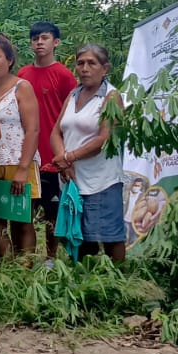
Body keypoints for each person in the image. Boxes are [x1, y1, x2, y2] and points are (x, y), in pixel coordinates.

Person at [50, 44, 125, 261]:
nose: (84, 68)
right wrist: (64, 162)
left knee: (110, 238)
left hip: (101, 180)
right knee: (80, 238)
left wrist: (69, 157)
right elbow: (56, 132)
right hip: (72, 179)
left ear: (105, 68)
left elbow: (104, 139)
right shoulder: (74, 94)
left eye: (92, 63)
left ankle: (122, 283)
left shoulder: (111, 97)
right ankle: (83, 284)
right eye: (80, 63)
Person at [18, 21, 76, 264]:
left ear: (56, 42)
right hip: (27, 156)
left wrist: (66, 155)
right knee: (25, 214)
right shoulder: (22, 75)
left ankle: (51, 259)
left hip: (52, 157)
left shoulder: (64, 75)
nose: (39, 42)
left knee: (52, 214)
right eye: (35, 38)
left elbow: (73, 115)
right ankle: (25, 259)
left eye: (44, 37)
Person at [0, 35, 41, 260]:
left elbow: (33, 130)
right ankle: (2, 272)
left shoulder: (21, 87)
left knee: (21, 220)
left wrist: (23, 169)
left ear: (9, 60)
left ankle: (25, 271)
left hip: (18, 162)